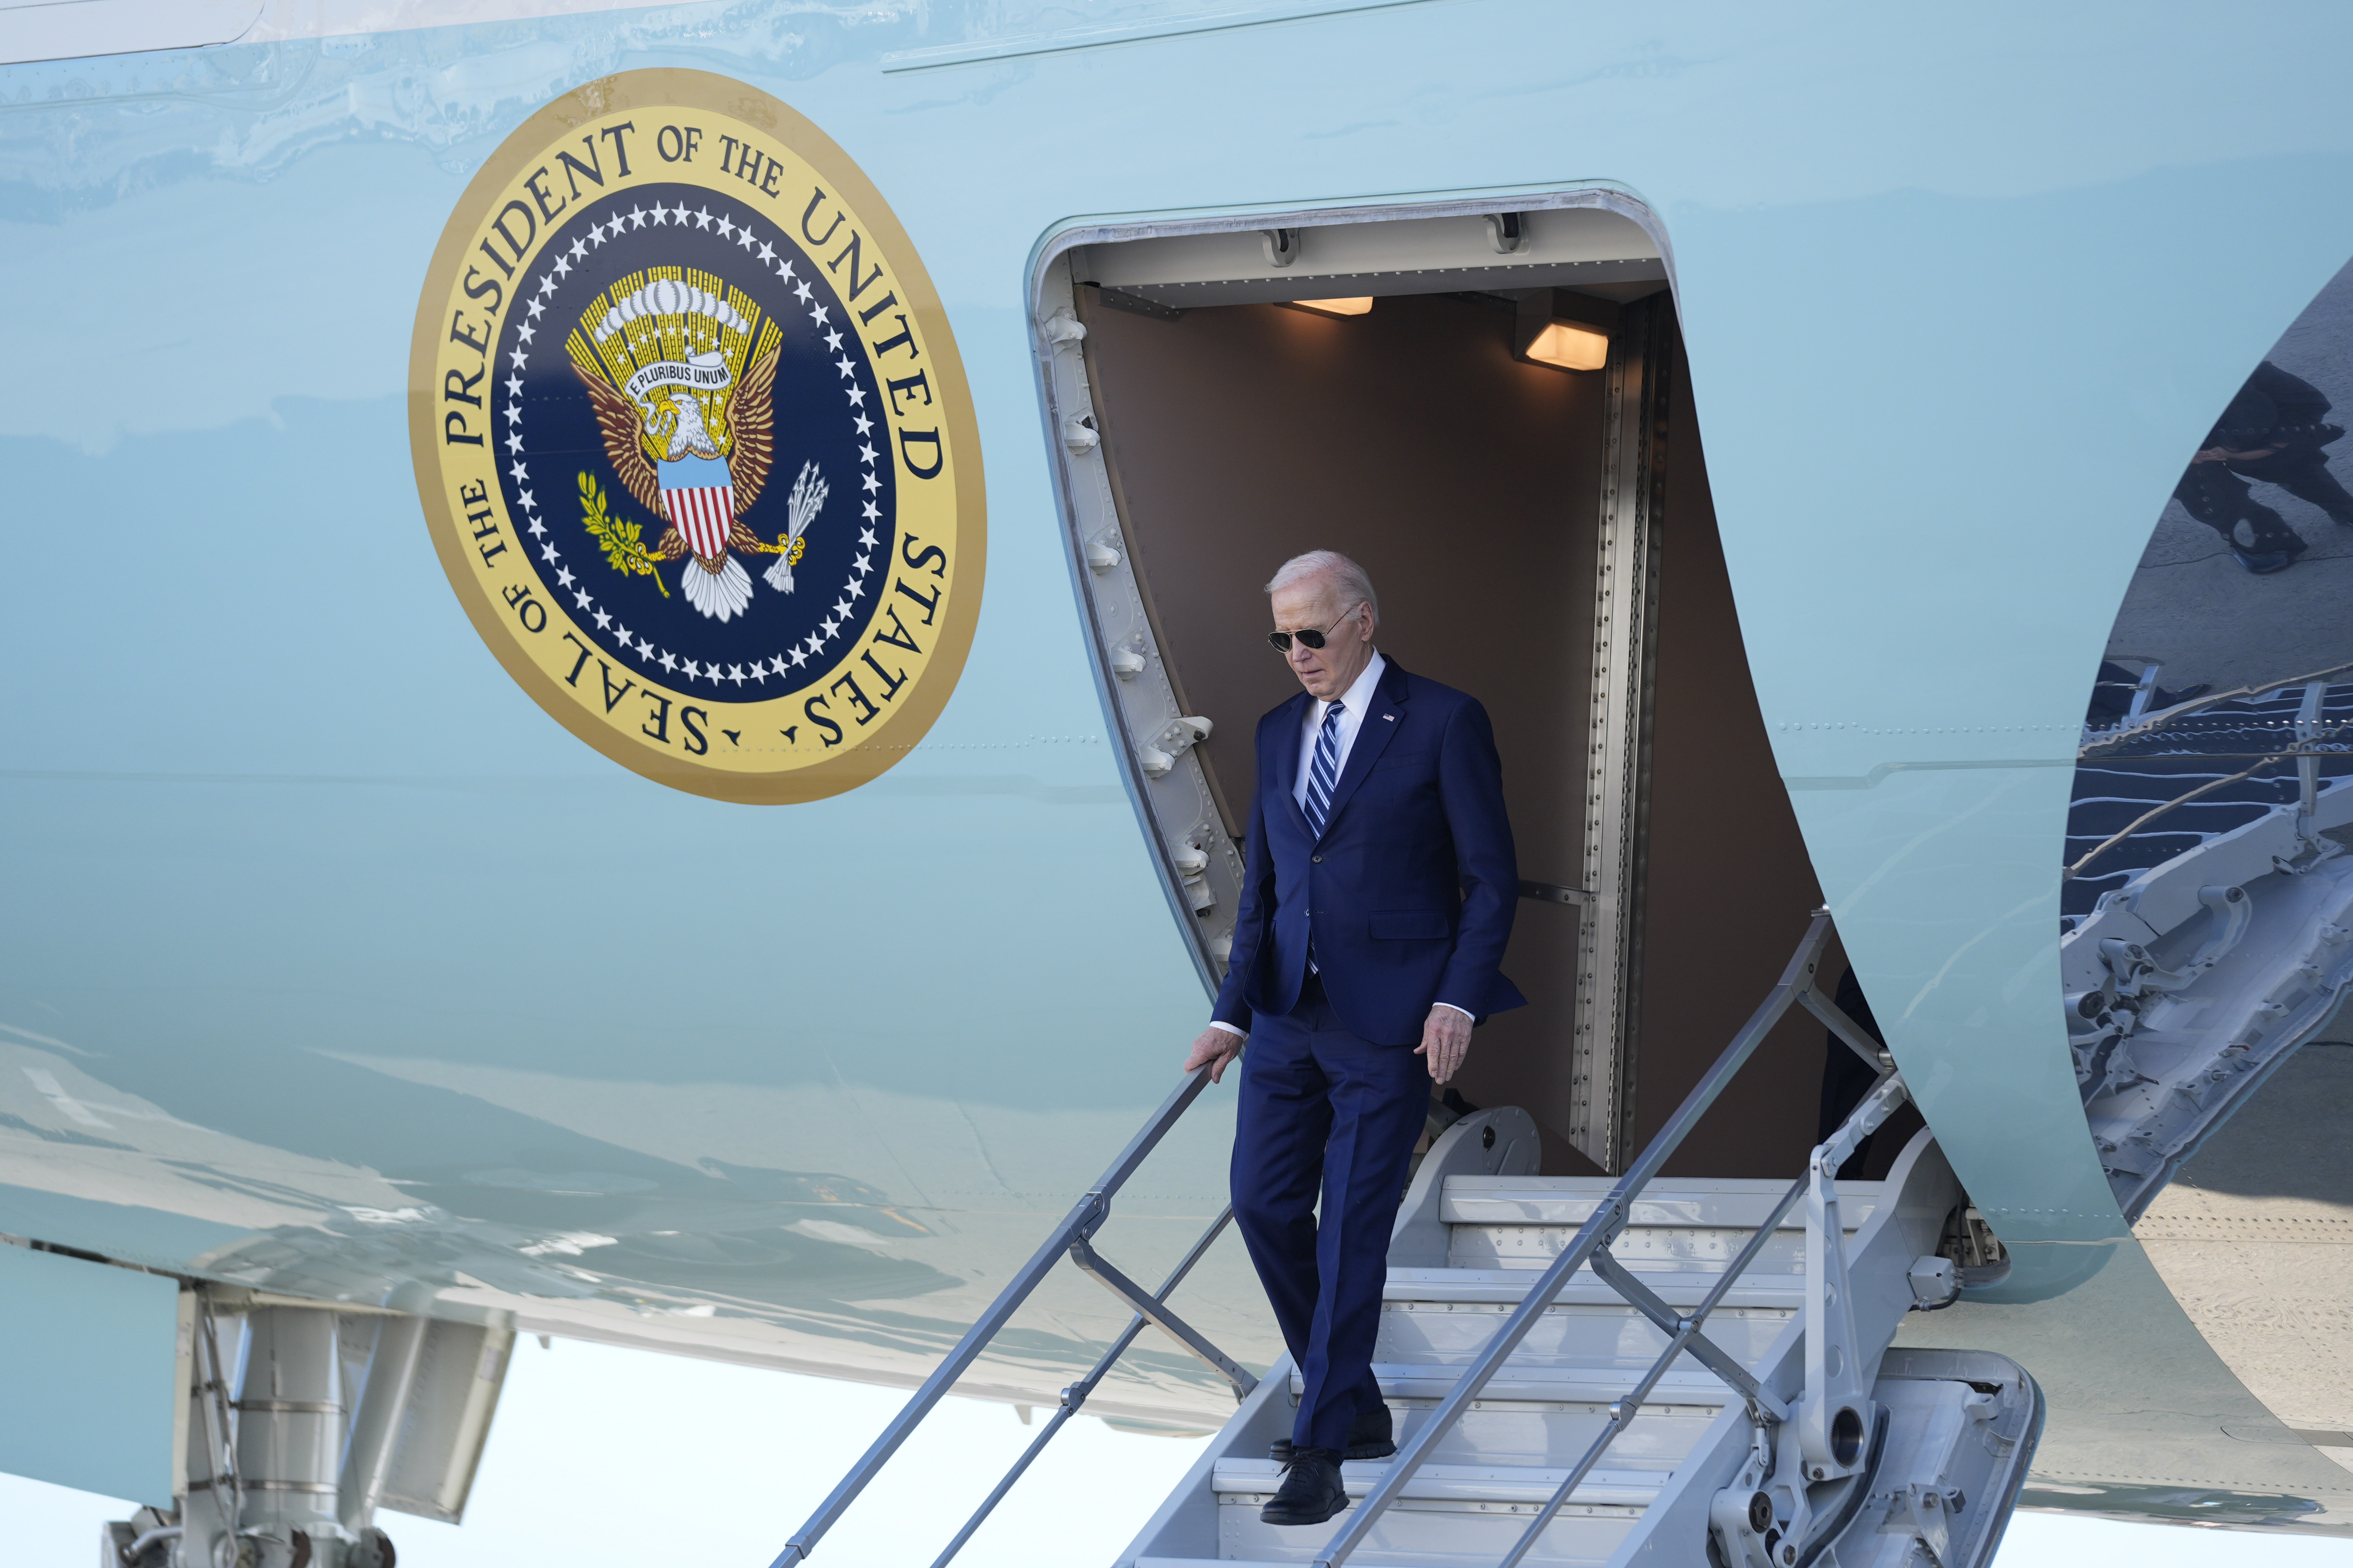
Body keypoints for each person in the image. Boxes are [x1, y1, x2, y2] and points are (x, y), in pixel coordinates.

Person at [1180, 551, 1524, 1528]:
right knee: (1260, 1203)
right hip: (1288, 1014)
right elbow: (1268, 891)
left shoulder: (1444, 720)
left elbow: (1491, 879)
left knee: (1353, 1231)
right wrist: (1228, 1011)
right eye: (1281, 637)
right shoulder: (1276, 730)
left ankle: (1322, 1445)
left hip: (1393, 1023)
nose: (1295, 654)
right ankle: (1358, 1399)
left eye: (1311, 634)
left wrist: (1455, 1002)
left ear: (1362, 620)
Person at [2173, 360, 2353, 574]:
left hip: (2255, 431)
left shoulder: (2232, 361)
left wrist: (2269, 445)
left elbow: (2310, 403)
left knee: (2286, 459)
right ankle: (2263, 538)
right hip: (2177, 444)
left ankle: (2340, 504)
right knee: (2187, 478)